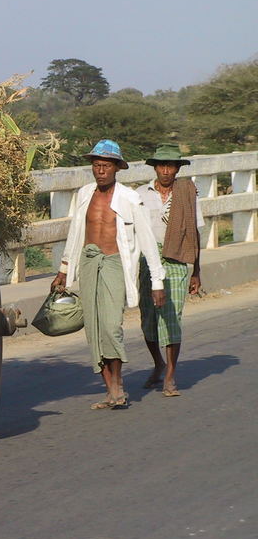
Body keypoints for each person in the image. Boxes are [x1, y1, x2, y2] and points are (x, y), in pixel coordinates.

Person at [51, 139, 166, 410]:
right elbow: (75, 233)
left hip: (116, 263)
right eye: (96, 165)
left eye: (105, 166)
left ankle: (118, 383)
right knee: (94, 327)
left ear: (116, 168)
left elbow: (147, 240)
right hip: (89, 262)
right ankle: (110, 390)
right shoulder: (84, 194)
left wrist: (157, 281)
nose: (100, 171)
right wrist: (64, 269)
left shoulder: (129, 198)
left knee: (112, 326)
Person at [136, 143, 204, 397]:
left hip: (176, 260)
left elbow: (195, 232)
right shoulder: (140, 194)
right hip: (147, 261)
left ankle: (171, 376)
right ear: (155, 168)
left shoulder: (187, 193)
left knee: (172, 318)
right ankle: (158, 364)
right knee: (148, 318)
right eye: (162, 165)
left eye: (171, 166)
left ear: (177, 169)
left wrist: (196, 270)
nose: (166, 171)